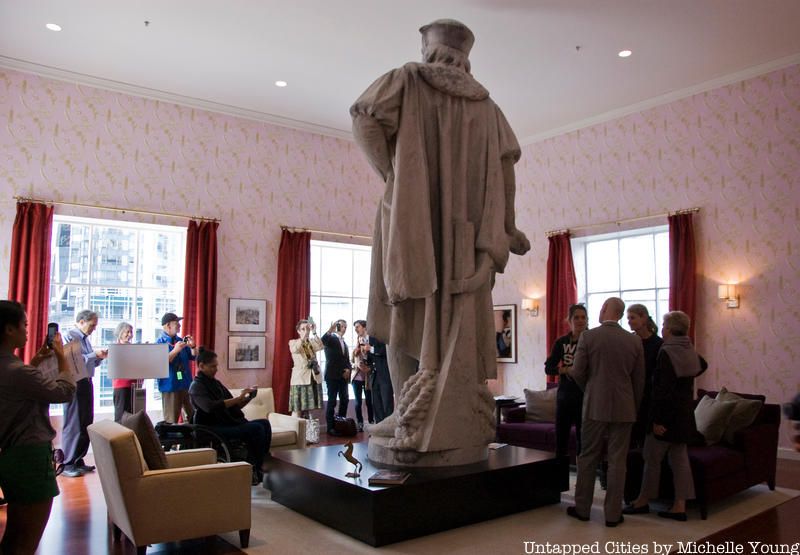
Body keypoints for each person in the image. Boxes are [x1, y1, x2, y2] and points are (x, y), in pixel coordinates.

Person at [350, 19, 530, 451]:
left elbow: (364, 118)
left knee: (402, 314)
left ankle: (407, 412)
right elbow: (506, 172)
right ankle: (417, 414)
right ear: (465, 60)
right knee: (436, 317)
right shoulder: (488, 108)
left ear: (429, 50)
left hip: (411, 220)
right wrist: (506, 226)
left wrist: (394, 175)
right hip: (468, 234)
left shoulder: (408, 80)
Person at [0, 300, 76, 554]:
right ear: (9, 329)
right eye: (24, 324)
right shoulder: (17, 371)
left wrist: (34, 362)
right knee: (26, 539)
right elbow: (64, 392)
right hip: (30, 456)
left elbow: (16, 391)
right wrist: (62, 357)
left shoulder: (12, 368)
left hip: (10, 454)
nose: (27, 330)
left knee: (14, 535)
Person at [566, 297, 644, 527]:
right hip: (625, 406)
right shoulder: (634, 341)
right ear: (620, 315)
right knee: (618, 461)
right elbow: (639, 380)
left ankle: (582, 508)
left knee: (588, 456)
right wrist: (633, 404)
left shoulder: (589, 337)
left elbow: (577, 371)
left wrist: (590, 389)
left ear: (604, 310)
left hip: (594, 405)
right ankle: (613, 514)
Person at [624, 311, 708, 521]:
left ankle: (643, 500)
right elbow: (703, 365)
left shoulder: (667, 351)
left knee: (651, 458)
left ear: (669, 329)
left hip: (666, 417)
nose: (662, 328)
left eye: (663, 325)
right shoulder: (687, 348)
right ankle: (680, 505)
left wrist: (656, 421)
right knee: (680, 461)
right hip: (684, 414)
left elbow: (661, 391)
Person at [188, 347, 272, 486]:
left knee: (264, 423)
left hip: (225, 423)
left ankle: (259, 465)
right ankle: (253, 468)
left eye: (216, 366)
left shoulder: (216, 384)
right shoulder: (196, 386)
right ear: (201, 366)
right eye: (212, 366)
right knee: (256, 429)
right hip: (211, 428)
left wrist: (247, 398)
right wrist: (238, 398)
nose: (216, 369)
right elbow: (209, 407)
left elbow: (234, 407)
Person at [61, 309, 107, 477]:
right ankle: (67, 463)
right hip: (74, 382)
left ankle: (78, 459)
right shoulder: (70, 336)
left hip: (86, 381)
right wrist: (94, 354)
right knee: (74, 423)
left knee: (85, 421)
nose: (94, 328)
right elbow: (73, 362)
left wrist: (98, 357)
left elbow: (89, 362)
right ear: (81, 322)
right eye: (92, 325)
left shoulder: (85, 339)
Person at [544, 303, 588, 457]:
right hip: (565, 396)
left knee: (584, 441)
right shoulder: (561, 342)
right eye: (576, 317)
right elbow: (549, 368)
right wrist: (565, 370)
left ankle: (582, 471)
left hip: (586, 396)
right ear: (569, 320)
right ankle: (559, 471)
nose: (580, 321)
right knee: (561, 439)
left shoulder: (592, 340)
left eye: (583, 317)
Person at [627, 304, 664, 448]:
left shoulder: (658, 343)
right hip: (631, 394)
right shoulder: (629, 341)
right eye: (628, 318)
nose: (629, 321)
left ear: (643, 318)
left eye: (632, 318)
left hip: (649, 395)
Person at [156, 312, 196, 424]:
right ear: (168, 325)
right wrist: (175, 351)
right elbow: (160, 363)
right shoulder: (159, 343)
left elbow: (193, 356)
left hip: (186, 384)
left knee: (194, 417)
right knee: (171, 421)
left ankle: (192, 436)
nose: (179, 325)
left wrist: (193, 346)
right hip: (170, 387)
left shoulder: (180, 341)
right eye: (176, 323)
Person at [288, 319, 324, 419]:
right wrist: (303, 338)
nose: (306, 331)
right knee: (297, 409)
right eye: (303, 329)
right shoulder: (293, 342)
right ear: (298, 331)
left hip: (313, 377)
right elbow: (295, 350)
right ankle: (295, 428)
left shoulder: (311, 342)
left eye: (307, 328)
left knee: (312, 409)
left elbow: (321, 346)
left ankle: (311, 429)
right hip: (300, 380)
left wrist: (314, 332)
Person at [321, 319, 352, 436]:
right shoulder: (331, 339)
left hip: (343, 377)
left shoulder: (345, 343)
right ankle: (330, 428)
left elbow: (347, 360)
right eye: (342, 326)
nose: (344, 329)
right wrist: (330, 330)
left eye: (345, 327)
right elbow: (323, 341)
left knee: (345, 399)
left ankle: (341, 423)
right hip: (332, 375)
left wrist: (348, 369)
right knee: (332, 401)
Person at [360, 321, 394, 424]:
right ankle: (379, 425)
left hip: (385, 374)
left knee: (386, 402)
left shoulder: (383, 335)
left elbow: (386, 350)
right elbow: (371, 359)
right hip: (374, 376)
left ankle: (389, 426)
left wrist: (370, 349)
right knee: (376, 403)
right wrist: (365, 355)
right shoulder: (366, 340)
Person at [110, 321, 139, 423]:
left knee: (132, 415)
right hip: (121, 385)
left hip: (134, 385)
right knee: (121, 415)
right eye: (127, 332)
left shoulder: (134, 348)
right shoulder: (115, 348)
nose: (130, 334)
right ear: (120, 333)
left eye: (131, 332)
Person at [351, 320, 374, 431]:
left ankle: (371, 422)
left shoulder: (370, 341)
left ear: (364, 328)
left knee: (369, 401)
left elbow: (373, 358)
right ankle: (360, 423)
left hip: (368, 376)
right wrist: (356, 364)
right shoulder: (356, 344)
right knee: (358, 402)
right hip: (357, 376)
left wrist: (368, 367)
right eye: (355, 327)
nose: (356, 329)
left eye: (358, 327)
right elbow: (351, 361)